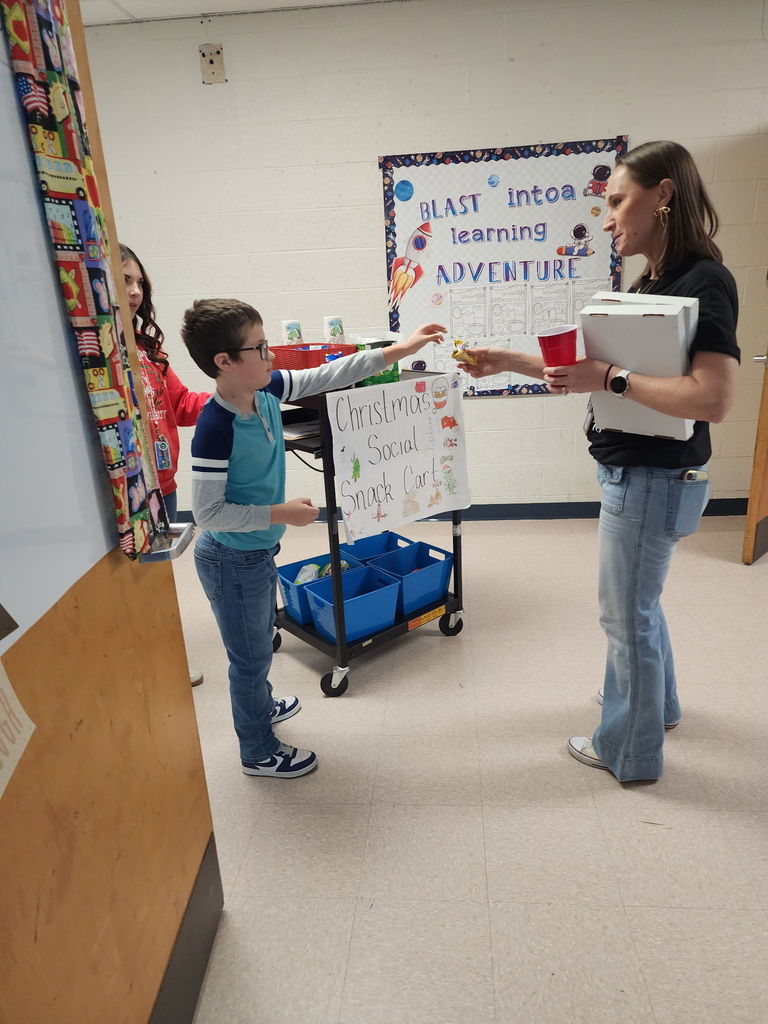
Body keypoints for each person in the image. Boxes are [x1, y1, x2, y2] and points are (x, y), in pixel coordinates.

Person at [461, 141, 740, 782]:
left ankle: (631, 751)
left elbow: (712, 398)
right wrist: (508, 360)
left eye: (617, 200)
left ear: (663, 195)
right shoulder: (656, 281)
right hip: (640, 475)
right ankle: (659, 706)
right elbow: (592, 372)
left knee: (625, 615)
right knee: (640, 604)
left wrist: (610, 378)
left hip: (649, 478)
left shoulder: (703, 280)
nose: (608, 217)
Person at [182, 299, 445, 777]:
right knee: (249, 657)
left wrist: (399, 350)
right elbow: (208, 512)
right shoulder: (214, 426)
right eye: (260, 348)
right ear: (225, 362)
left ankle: (261, 706)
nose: (272, 357)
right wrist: (279, 512)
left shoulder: (265, 393)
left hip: (254, 553)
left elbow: (328, 375)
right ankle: (258, 752)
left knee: (259, 637)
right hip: (228, 558)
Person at [121, 244, 212, 686]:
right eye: (125, 281)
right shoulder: (90, 355)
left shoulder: (147, 348)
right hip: (122, 491)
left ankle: (162, 660)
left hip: (163, 486)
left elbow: (182, 404)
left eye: (140, 283)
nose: (136, 292)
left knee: (154, 582)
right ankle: (137, 664)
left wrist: (233, 395)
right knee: (126, 584)